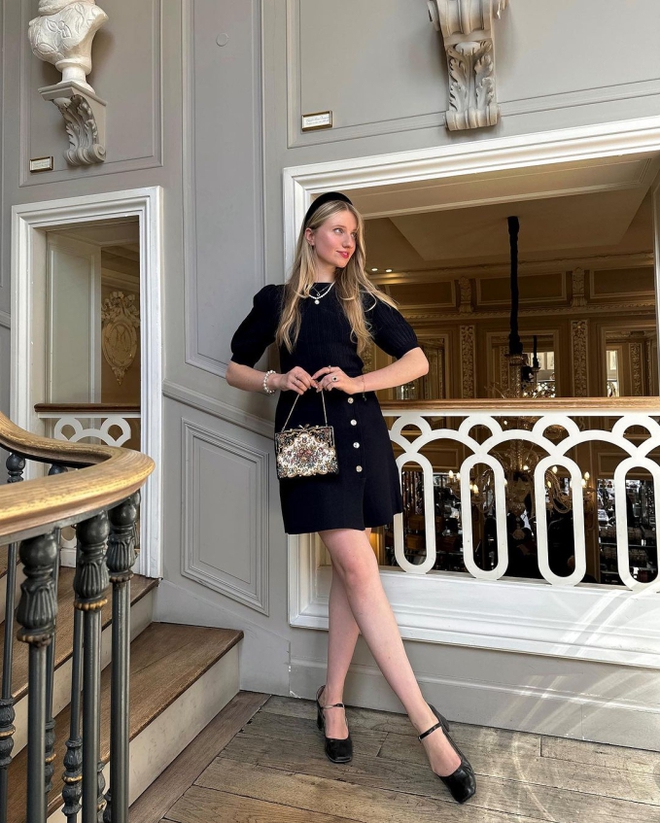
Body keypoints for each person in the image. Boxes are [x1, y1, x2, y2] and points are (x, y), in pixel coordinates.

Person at [226, 191, 476, 804]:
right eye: (338, 230)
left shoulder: (361, 299)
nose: (348, 241)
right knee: (360, 570)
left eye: (354, 233)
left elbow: (415, 361)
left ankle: (331, 698)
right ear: (310, 235)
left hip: (361, 435)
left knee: (350, 570)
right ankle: (428, 726)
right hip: (307, 441)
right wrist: (276, 377)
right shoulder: (277, 301)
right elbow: (234, 367)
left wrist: (359, 381)